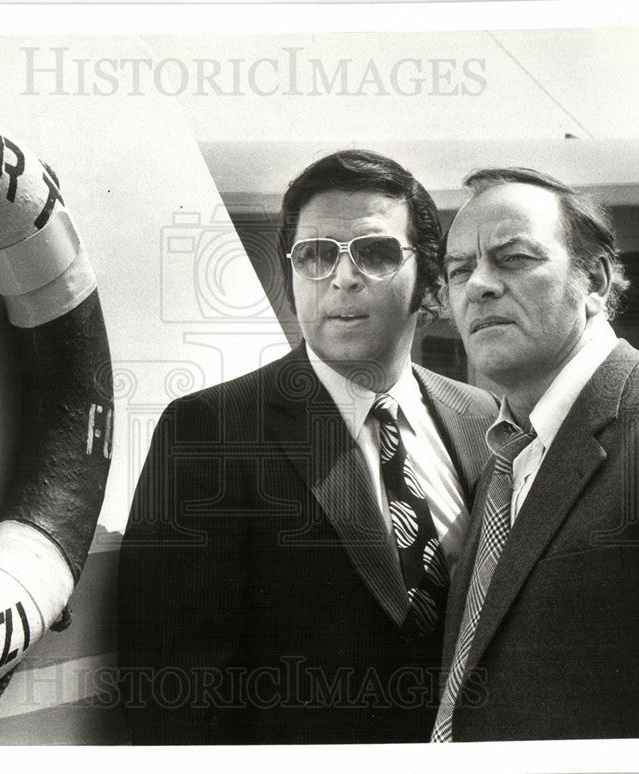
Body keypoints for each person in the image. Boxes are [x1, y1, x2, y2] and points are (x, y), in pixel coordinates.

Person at [116, 150, 498, 744]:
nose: (342, 277)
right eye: (316, 255)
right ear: (291, 281)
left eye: (374, 253)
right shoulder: (209, 431)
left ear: (428, 278)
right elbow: (172, 695)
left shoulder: (482, 420)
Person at [432, 167, 639, 741]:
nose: (477, 286)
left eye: (512, 258)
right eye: (459, 269)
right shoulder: (505, 449)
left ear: (596, 281)